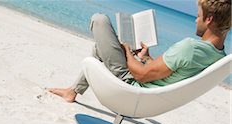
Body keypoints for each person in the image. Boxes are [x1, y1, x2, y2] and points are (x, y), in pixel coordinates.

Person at [48, 0, 231, 103]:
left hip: (133, 88)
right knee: (101, 48)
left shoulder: (190, 48)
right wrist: (146, 58)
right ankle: (72, 91)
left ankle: (72, 91)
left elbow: (142, 76)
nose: (195, 21)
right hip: (153, 95)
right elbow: (168, 74)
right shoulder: (217, 56)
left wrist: (128, 51)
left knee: (100, 19)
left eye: (198, 17)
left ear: (209, 19)